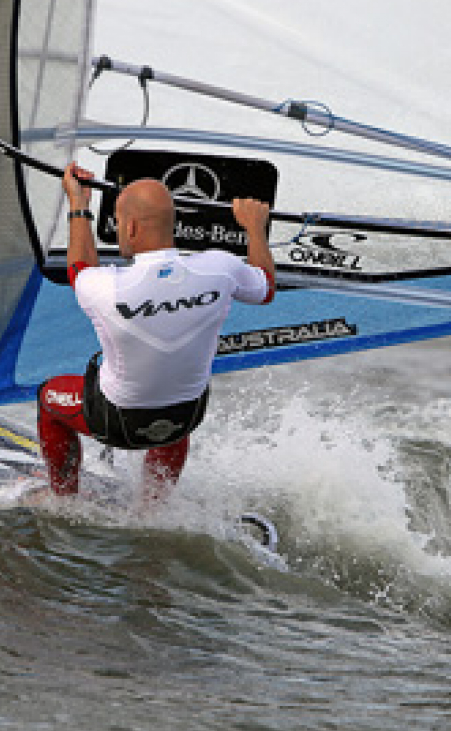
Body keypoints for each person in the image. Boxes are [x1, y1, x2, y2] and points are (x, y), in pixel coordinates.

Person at [36, 162, 275, 502]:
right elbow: (265, 287)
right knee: (175, 383)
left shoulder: (106, 287)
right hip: (185, 419)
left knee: (48, 397)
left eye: (119, 223)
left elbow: (80, 269)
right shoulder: (220, 269)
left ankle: (63, 500)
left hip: (114, 422)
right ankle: (154, 509)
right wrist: (254, 227)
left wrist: (78, 205)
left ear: (130, 226)